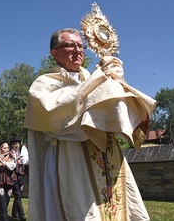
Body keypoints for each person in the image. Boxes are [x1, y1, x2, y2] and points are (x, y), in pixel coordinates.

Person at [24, 28, 157, 221]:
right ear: (55, 53)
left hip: (108, 155)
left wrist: (115, 81)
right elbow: (54, 116)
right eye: (70, 45)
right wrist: (97, 80)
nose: (78, 50)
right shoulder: (44, 84)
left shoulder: (95, 77)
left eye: (80, 45)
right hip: (71, 157)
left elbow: (117, 113)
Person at [0, 140, 17, 221]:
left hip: (9, 183)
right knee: (3, 207)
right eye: (5, 148)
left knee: (4, 206)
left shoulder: (11, 157)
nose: (7, 150)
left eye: (7, 148)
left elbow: (12, 166)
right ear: (0, 149)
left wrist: (3, 162)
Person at [9, 137, 28, 221]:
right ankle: (22, 216)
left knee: (18, 195)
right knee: (18, 195)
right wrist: (18, 162)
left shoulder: (21, 152)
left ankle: (14, 214)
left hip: (21, 175)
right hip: (14, 176)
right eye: (15, 144)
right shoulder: (10, 153)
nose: (16, 145)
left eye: (17, 144)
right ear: (12, 145)